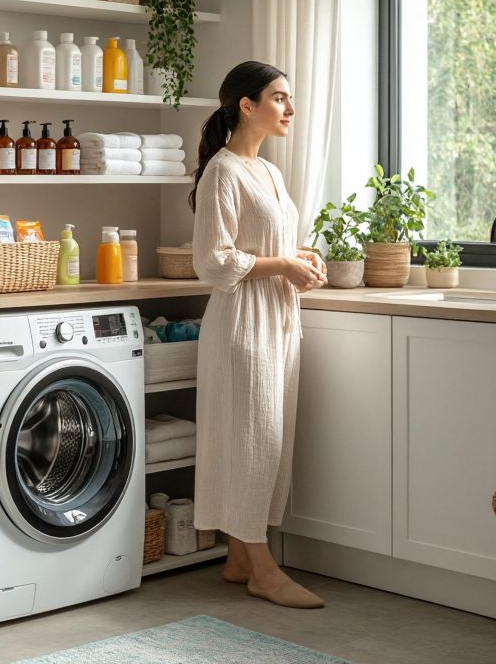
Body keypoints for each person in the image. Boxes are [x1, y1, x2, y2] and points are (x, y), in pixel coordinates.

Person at [190, 61, 327, 608]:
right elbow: (214, 261)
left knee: (271, 441)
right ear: (247, 105)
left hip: (277, 321)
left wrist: (298, 260)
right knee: (253, 441)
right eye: (279, 98)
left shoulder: (268, 172)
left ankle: (238, 555)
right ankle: (262, 568)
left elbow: (265, 244)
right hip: (242, 325)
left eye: (289, 99)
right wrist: (282, 266)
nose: (290, 109)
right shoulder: (222, 172)